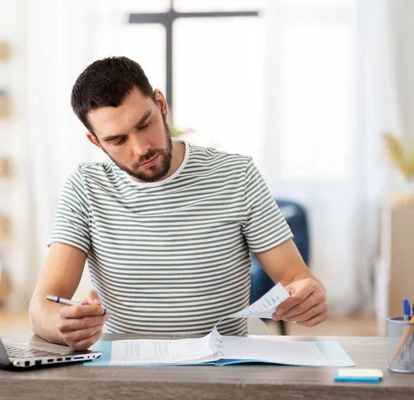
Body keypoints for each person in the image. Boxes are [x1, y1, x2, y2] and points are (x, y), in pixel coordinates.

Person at [29, 56, 328, 350]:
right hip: (126, 372)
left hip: (223, 369)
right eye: (118, 140)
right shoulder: (85, 187)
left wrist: (307, 296)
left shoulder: (238, 176)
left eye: (145, 124)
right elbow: (43, 306)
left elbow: (296, 279)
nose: (141, 148)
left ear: (161, 104)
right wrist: (64, 324)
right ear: (96, 141)